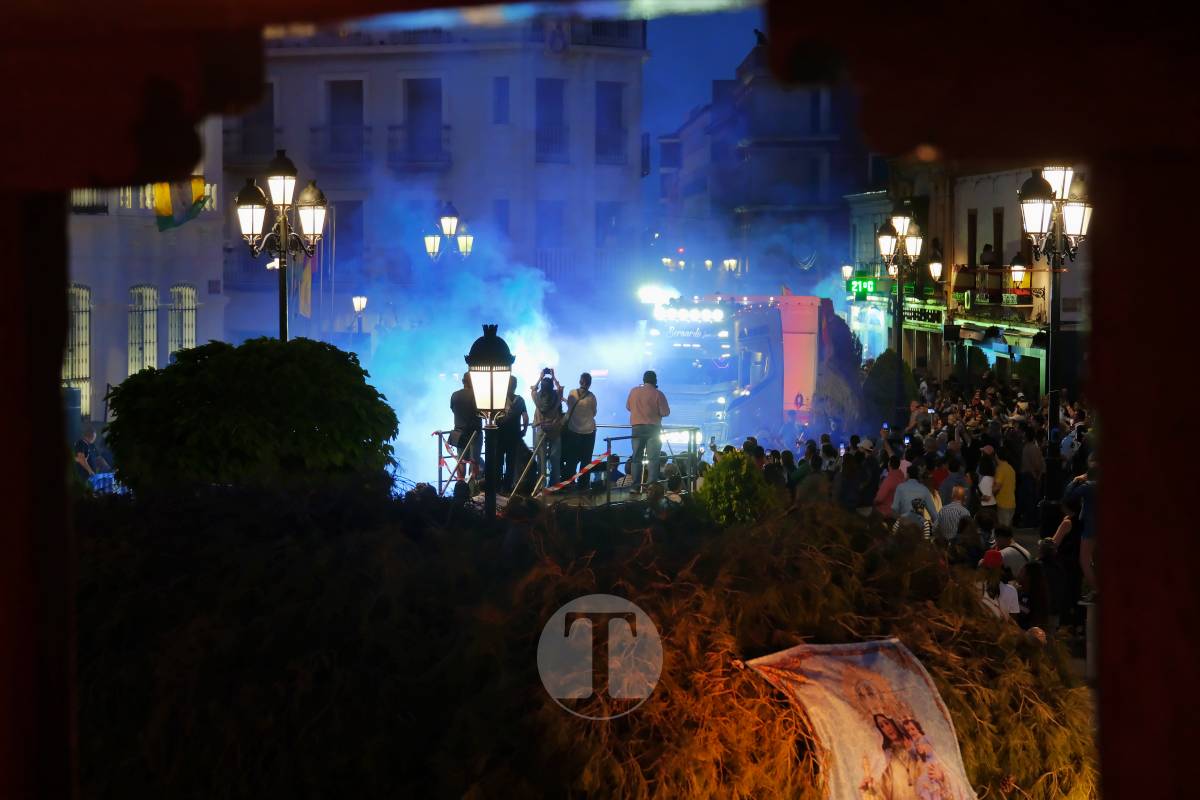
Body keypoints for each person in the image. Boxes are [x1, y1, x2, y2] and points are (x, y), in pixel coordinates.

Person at [626, 370, 670, 493]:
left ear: (643, 380)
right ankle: (651, 488)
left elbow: (628, 407)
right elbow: (665, 412)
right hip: (653, 429)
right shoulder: (658, 394)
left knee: (636, 458)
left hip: (637, 428)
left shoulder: (634, 391)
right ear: (655, 380)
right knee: (653, 458)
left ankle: (635, 487)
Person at [563, 372, 598, 490]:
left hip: (573, 430)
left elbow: (569, 406)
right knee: (586, 460)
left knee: (571, 459)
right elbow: (594, 412)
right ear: (590, 384)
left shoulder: (572, 393)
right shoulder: (592, 397)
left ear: (580, 381)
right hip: (589, 431)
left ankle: (568, 483)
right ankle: (583, 485)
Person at [531, 369, 565, 487]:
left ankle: (541, 486)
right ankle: (555, 485)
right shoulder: (556, 396)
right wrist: (554, 377)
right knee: (555, 458)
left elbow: (533, 389)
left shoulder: (537, 397)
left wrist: (540, 378)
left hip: (541, 429)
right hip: (555, 429)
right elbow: (560, 389)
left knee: (541, 460)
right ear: (551, 386)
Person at [497, 376, 529, 492]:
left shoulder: (498, 398)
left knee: (498, 462)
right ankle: (507, 488)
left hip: (499, 435)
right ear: (515, 386)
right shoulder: (520, 400)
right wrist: (524, 431)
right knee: (510, 463)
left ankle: (497, 486)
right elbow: (525, 418)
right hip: (514, 436)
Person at [450, 373, 482, 480]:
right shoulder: (476, 395)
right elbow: (480, 412)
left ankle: (460, 485)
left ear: (463, 381)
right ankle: (473, 489)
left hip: (459, 432)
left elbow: (453, 409)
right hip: (474, 433)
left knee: (461, 461)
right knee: (474, 461)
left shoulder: (454, 395)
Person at [978, 549, 1020, 620]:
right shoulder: (1011, 590)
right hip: (1002, 630)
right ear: (1001, 569)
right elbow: (1013, 619)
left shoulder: (975, 588)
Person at [994, 449, 1017, 528]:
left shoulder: (1000, 469)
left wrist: (989, 494)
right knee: (1007, 531)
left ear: (997, 456)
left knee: (1003, 531)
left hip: (1003, 503)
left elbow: (997, 486)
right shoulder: (1011, 468)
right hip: (1012, 503)